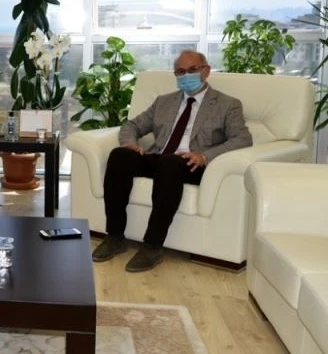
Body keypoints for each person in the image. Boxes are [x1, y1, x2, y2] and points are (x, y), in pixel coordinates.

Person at [91, 50, 252, 272]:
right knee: (120, 155)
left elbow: (242, 138)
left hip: (192, 163)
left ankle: (152, 246)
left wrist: (205, 156)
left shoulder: (227, 104)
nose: (186, 75)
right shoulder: (163, 102)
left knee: (170, 163)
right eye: (180, 72)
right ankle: (115, 236)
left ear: (206, 71)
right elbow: (131, 126)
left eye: (192, 70)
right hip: (160, 157)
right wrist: (130, 143)